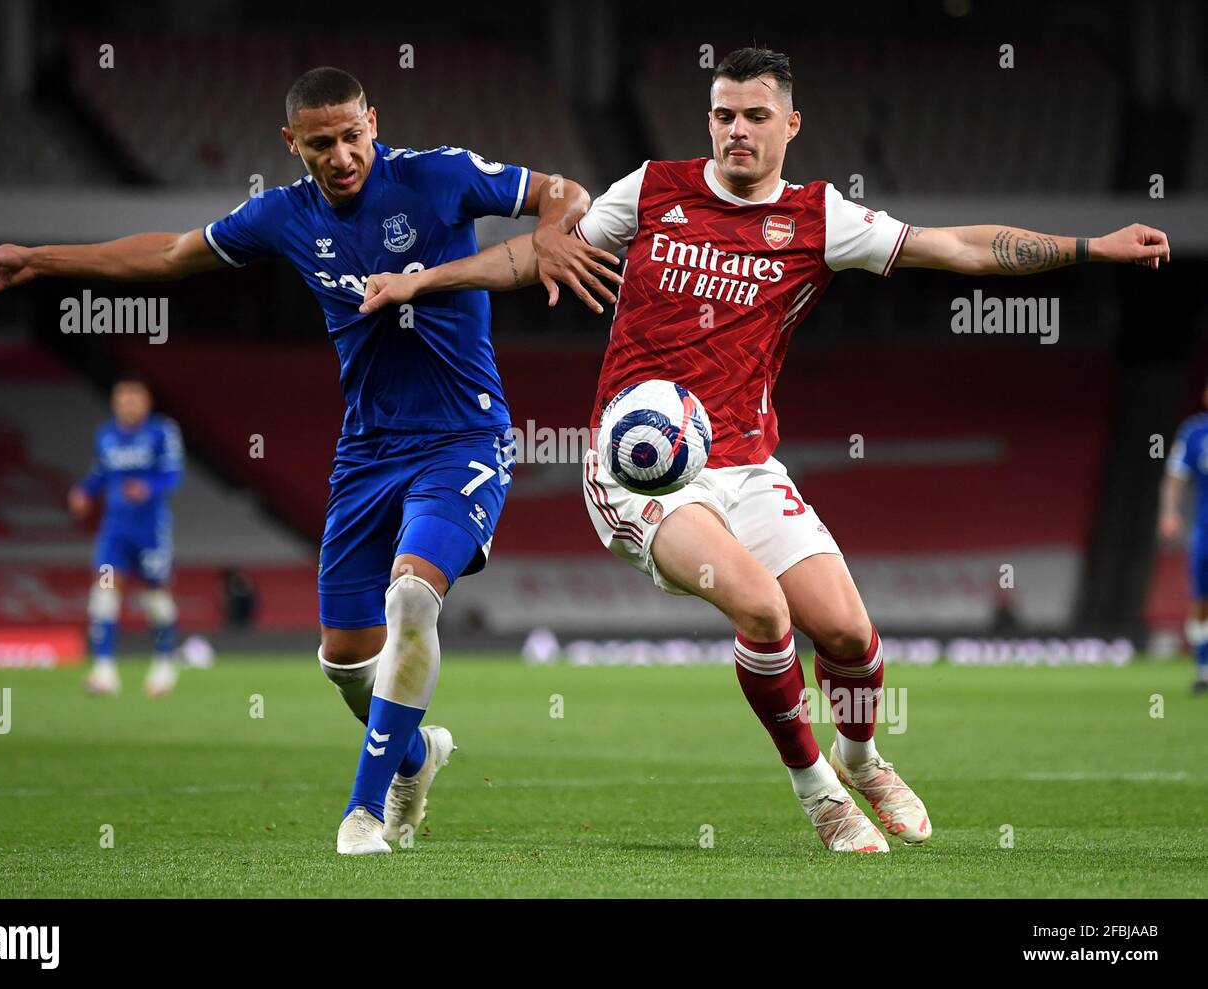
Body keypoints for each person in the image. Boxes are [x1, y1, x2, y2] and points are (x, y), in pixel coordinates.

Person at [359, 47, 1171, 852]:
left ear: (790, 123)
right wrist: (420, 281)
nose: (735, 130)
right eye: (721, 115)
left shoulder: (822, 220)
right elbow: (537, 253)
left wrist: (1090, 249)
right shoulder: (651, 190)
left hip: (747, 463)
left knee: (850, 636)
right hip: (638, 466)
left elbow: (955, 248)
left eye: (753, 116)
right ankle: (819, 793)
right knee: (762, 609)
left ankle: (862, 757)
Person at [0, 66, 620, 856]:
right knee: (344, 662)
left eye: (352, 135)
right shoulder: (283, 216)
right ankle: (416, 756)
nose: (342, 156)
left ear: (374, 120)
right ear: (292, 144)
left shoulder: (435, 176)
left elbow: (566, 191)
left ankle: (364, 812)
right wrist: (41, 261)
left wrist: (551, 227)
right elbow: (170, 255)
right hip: (367, 451)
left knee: (412, 596)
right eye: (321, 143)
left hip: (463, 439)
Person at [70, 377, 184, 698]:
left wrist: (149, 488)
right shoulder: (105, 435)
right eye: (123, 399)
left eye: (135, 398)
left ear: (146, 402)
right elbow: (100, 474)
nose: (129, 404)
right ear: (115, 403)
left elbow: (173, 473)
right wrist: (84, 491)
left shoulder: (162, 431)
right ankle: (104, 671)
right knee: (104, 591)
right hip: (115, 531)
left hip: (150, 530)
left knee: (155, 597)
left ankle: (164, 664)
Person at [1159, 383, 1208, 694]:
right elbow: (1175, 476)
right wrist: (1169, 512)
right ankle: (1203, 667)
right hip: (1205, 531)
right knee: (1201, 601)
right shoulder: (1193, 432)